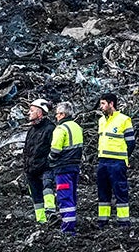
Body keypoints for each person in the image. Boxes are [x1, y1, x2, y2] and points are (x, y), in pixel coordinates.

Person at [96, 92, 135, 230]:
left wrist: (124, 157)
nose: (101, 107)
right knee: (103, 191)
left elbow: (131, 143)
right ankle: (103, 221)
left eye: (103, 103)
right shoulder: (101, 121)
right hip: (103, 162)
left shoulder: (124, 120)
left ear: (111, 104)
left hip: (117, 162)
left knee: (120, 191)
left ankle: (123, 222)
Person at [48, 101, 83, 236]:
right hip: (74, 167)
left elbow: (55, 150)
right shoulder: (77, 127)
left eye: (57, 114)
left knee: (65, 198)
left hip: (63, 169)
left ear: (62, 114)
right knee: (72, 197)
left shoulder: (61, 129)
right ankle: (71, 225)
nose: (56, 117)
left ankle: (67, 229)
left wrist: (50, 160)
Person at [22, 98, 56, 224]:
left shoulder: (50, 129)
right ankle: (42, 221)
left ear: (40, 113)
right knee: (36, 198)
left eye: (31, 111)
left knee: (47, 188)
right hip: (31, 170)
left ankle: (51, 213)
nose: (28, 113)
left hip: (45, 168)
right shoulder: (32, 130)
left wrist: (48, 164)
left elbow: (55, 148)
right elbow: (27, 149)